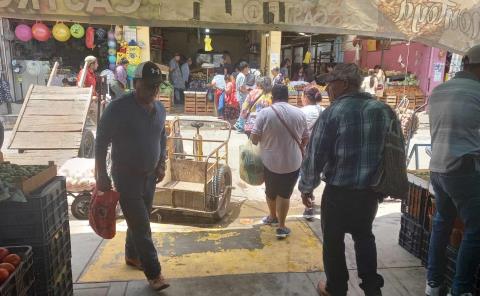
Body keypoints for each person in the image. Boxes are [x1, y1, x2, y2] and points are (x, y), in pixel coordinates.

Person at [299, 63, 397, 296]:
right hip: (368, 193)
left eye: (331, 84)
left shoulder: (333, 112)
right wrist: (385, 187)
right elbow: (394, 153)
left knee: (333, 241)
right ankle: (372, 289)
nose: (327, 90)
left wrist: (307, 187)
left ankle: (336, 288)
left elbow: (316, 155)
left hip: (338, 193)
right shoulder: (383, 111)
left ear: (343, 84)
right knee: (364, 237)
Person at [95, 61, 169, 292]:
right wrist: (101, 174)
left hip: (149, 177)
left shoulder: (159, 109)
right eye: (149, 87)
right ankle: (154, 273)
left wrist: (161, 163)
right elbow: (101, 141)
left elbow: (161, 137)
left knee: (139, 220)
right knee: (141, 225)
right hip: (126, 177)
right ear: (135, 83)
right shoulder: (118, 108)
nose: (154, 92)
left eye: (157, 87)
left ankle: (132, 255)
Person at [426, 45, 480, 296]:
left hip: (438, 168)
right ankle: (461, 290)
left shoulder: (438, 91)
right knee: (475, 229)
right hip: (466, 170)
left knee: (442, 223)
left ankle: (433, 284)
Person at [251, 84, 308, 239]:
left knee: (270, 191)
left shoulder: (264, 113)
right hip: (293, 162)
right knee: (284, 194)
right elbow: (305, 138)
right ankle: (282, 226)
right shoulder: (299, 113)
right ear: (287, 97)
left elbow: (254, 140)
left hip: (270, 162)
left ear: (272, 97)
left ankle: (272, 216)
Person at [299, 84, 324, 221]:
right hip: (322, 148)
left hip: (307, 147)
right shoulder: (324, 110)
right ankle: (311, 197)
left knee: (307, 173)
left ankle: (308, 207)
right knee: (315, 173)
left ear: (305, 97)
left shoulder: (302, 112)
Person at [233, 62, 250, 131]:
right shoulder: (242, 76)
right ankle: (239, 126)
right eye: (247, 68)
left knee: (242, 111)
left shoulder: (239, 75)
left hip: (240, 96)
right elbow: (241, 88)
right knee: (243, 111)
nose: (248, 70)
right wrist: (248, 92)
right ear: (244, 68)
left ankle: (238, 125)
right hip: (242, 97)